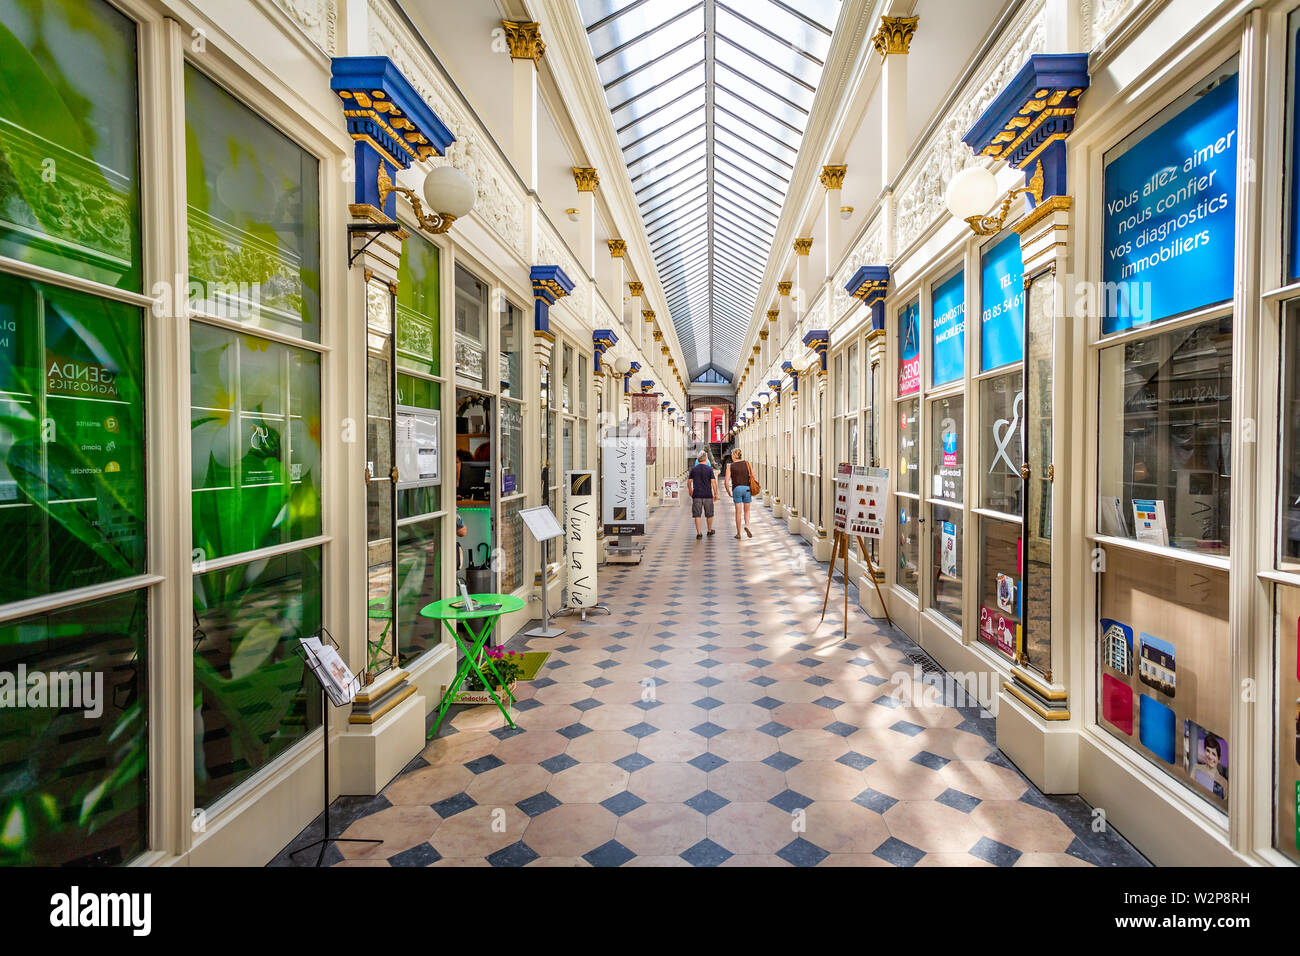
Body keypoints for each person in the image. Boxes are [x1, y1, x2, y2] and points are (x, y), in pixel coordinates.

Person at [723, 447, 755, 539]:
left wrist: (728, 491)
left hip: (736, 489)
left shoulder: (730, 466)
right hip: (747, 489)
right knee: (747, 510)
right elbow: (753, 475)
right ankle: (747, 526)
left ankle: (738, 533)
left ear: (733, 456)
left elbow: (726, 481)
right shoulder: (747, 463)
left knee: (738, 512)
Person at [688, 451, 718, 539]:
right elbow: (713, 482)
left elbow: (689, 482)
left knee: (697, 514)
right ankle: (709, 531)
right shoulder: (709, 469)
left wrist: (690, 490)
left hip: (696, 494)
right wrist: (716, 493)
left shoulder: (694, 469)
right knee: (709, 514)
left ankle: (699, 533)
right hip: (708, 495)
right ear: (706, 459)